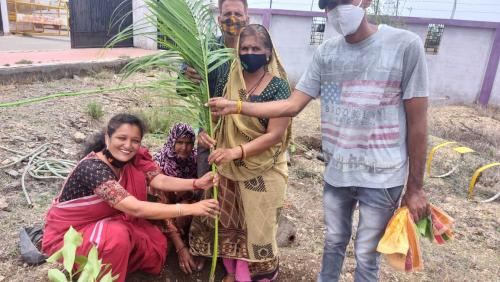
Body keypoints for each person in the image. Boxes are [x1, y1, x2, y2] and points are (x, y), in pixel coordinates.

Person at [208, 0, 430, 281]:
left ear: (366, 2)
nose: (338, 9)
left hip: (383, 175)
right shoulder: (327, 53)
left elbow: (418, 123)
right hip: (337, 172)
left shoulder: (404, 45)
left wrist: (416, 188)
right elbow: (291, 106)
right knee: (334, 241)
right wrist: (236, 107)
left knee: (366, 253)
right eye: (330, 4)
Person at [42, 114, 220, 282]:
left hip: (107, 221)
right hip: (70, 236)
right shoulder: (92, 169)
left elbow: (158, 179)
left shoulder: (132, 159)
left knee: (153, 240)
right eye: (121, 138)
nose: (128, 145)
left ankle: (115, 264)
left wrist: (197, 183)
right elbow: (135, 207)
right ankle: (99, 274)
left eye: (135, 141)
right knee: (116, 236)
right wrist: (192, 208)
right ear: (107, 138)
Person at [189, 24, 292, 282]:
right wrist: (204, 131)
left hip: (264, 168)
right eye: (244, 48)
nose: (249, 53)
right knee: (227, 221)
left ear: (268, 53)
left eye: (256, 48)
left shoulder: (279, 87)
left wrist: (237, 151)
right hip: (226, 165)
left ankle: (254, 274)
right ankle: (233, 270)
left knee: (257, 226)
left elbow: (275, 135)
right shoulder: (227, 79)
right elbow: (211, 115)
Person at [183, 0, 250, 178]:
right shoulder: (204, 50)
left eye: (238, 14)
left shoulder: (255, 51)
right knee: (207, 188)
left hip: (245, 135)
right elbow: (182, 90)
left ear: (247, 18)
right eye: (227, 14)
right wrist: (186, 75)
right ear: (219, 19)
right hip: (210, 134)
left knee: (239, 195)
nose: (233, 19)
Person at [152, 123, 204, 274]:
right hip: (161, 214)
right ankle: (177, 244)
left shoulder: (196, 161)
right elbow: (159, 204)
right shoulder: (158, 162)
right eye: (180, 142)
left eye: (189, 143)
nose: (184, 148)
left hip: (185, 212)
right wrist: (180, 247)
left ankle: (194, 245)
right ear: (172, 141)